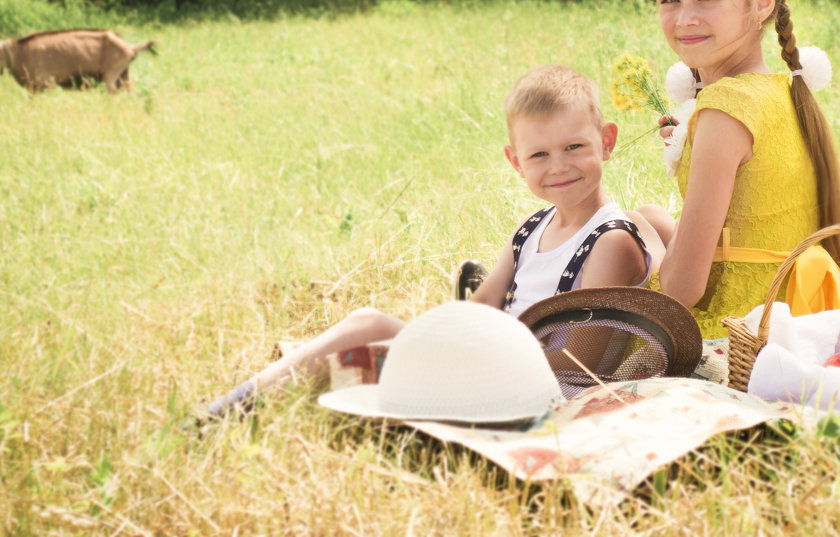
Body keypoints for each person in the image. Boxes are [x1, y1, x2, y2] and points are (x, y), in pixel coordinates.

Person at [205, 64, 666, 417]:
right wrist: (445, 338)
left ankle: (260, 397)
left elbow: (577, 361)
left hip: (538, 392)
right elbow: (480, 309)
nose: (559, 167)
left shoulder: (610, 241)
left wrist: (460, 354)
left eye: (574, 147)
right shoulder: (533, 229)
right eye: (539, 155)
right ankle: (238, 403)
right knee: (371, 326)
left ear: (606, 142)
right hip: (493, 364)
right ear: (515, 162)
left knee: (380, 349)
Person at [635, 0, 840, 339]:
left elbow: (683, 290)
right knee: (647, 217)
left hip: (739, 331)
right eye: (670, 0)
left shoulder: (725, 109)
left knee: (622, 234)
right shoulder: (784, 89)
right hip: (792, 314)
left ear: (761, 2)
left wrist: (633, 261)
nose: (684, 19)